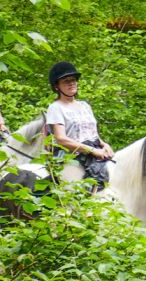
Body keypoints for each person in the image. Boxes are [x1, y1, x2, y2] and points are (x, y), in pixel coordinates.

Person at [45, 61, 113, 192]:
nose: (71, 83)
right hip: (70, 157)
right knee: (76, 193)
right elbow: (61, 139)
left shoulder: (85, 106)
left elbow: (92, 133)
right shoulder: (56, 108)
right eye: (66, 81)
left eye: (73, 80)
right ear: (56, 86)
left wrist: (104, 145)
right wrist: (92, 151)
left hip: (95, 152)